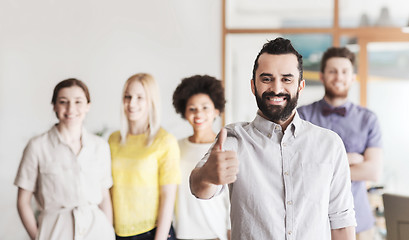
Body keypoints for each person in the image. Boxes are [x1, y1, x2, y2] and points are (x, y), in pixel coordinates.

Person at [189, 37, 357, 239]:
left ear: (300, 86)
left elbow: (341, 222)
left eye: (287, 79)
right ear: (253, 85)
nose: (276, 89)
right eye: (266, 79)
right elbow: (199, 188)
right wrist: (208, 174)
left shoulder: (329, 144)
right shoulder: (233, 139)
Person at [298, 47, 382, 240]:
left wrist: (321, 167)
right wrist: (349, 160)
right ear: (321, 76)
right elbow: (299, 168)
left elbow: (373, 171)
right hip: (313, 223)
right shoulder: (302, 117)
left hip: (360, 222)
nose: (339, 77)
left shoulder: (368, 119)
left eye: (345, 71)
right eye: (332, 71)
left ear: (353, 77)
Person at [15, 78, 115, 240]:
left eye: (78, 102)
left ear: (88, 106)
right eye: (63, 102)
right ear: (54, 105)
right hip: (54, 231)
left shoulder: (100, 146)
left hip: (96, 231)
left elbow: (104, 197)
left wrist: (108, 232)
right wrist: (37, 236)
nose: (71, 108)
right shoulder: (37, 146)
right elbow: (23, 201)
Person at [109, 73, 180, 240]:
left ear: (151, 101)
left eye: (140, 97)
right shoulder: (113, 140)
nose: (132, 103)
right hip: (118, 232)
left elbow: (168, 197)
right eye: (128, 96)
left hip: (153, 232)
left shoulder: (165, 141)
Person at [172, 75, 231, 240]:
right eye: (192, 108)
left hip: (215, 234)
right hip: (181, 234)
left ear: (216, 111)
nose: (198, 114)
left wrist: (230, 230)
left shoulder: (224, 146)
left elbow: (232, 197)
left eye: (205, 107)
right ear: (184, 111)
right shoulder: (174, 147)